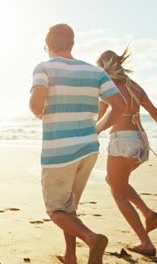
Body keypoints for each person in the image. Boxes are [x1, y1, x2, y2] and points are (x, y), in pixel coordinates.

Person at [29, 24, 126, 264]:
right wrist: (98, 128)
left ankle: (91, 238)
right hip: (88, 149)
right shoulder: (95, 72)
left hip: (59, 151)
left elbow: (35, 106)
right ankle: (70, 255)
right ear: (71, 44)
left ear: (48, 46)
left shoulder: (43, 68)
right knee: (69, 206)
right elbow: (120, 105)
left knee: (55, 210)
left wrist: (41, 110)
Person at [97, 47, 157, 256]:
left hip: (122, 142)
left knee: (117, 192)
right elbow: (155, 113)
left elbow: (101, 118)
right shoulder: (136, 87)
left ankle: (146, 242)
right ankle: (148, 213)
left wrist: (87, 135)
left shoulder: (108, 87)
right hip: (141, 142)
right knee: (115, 181)